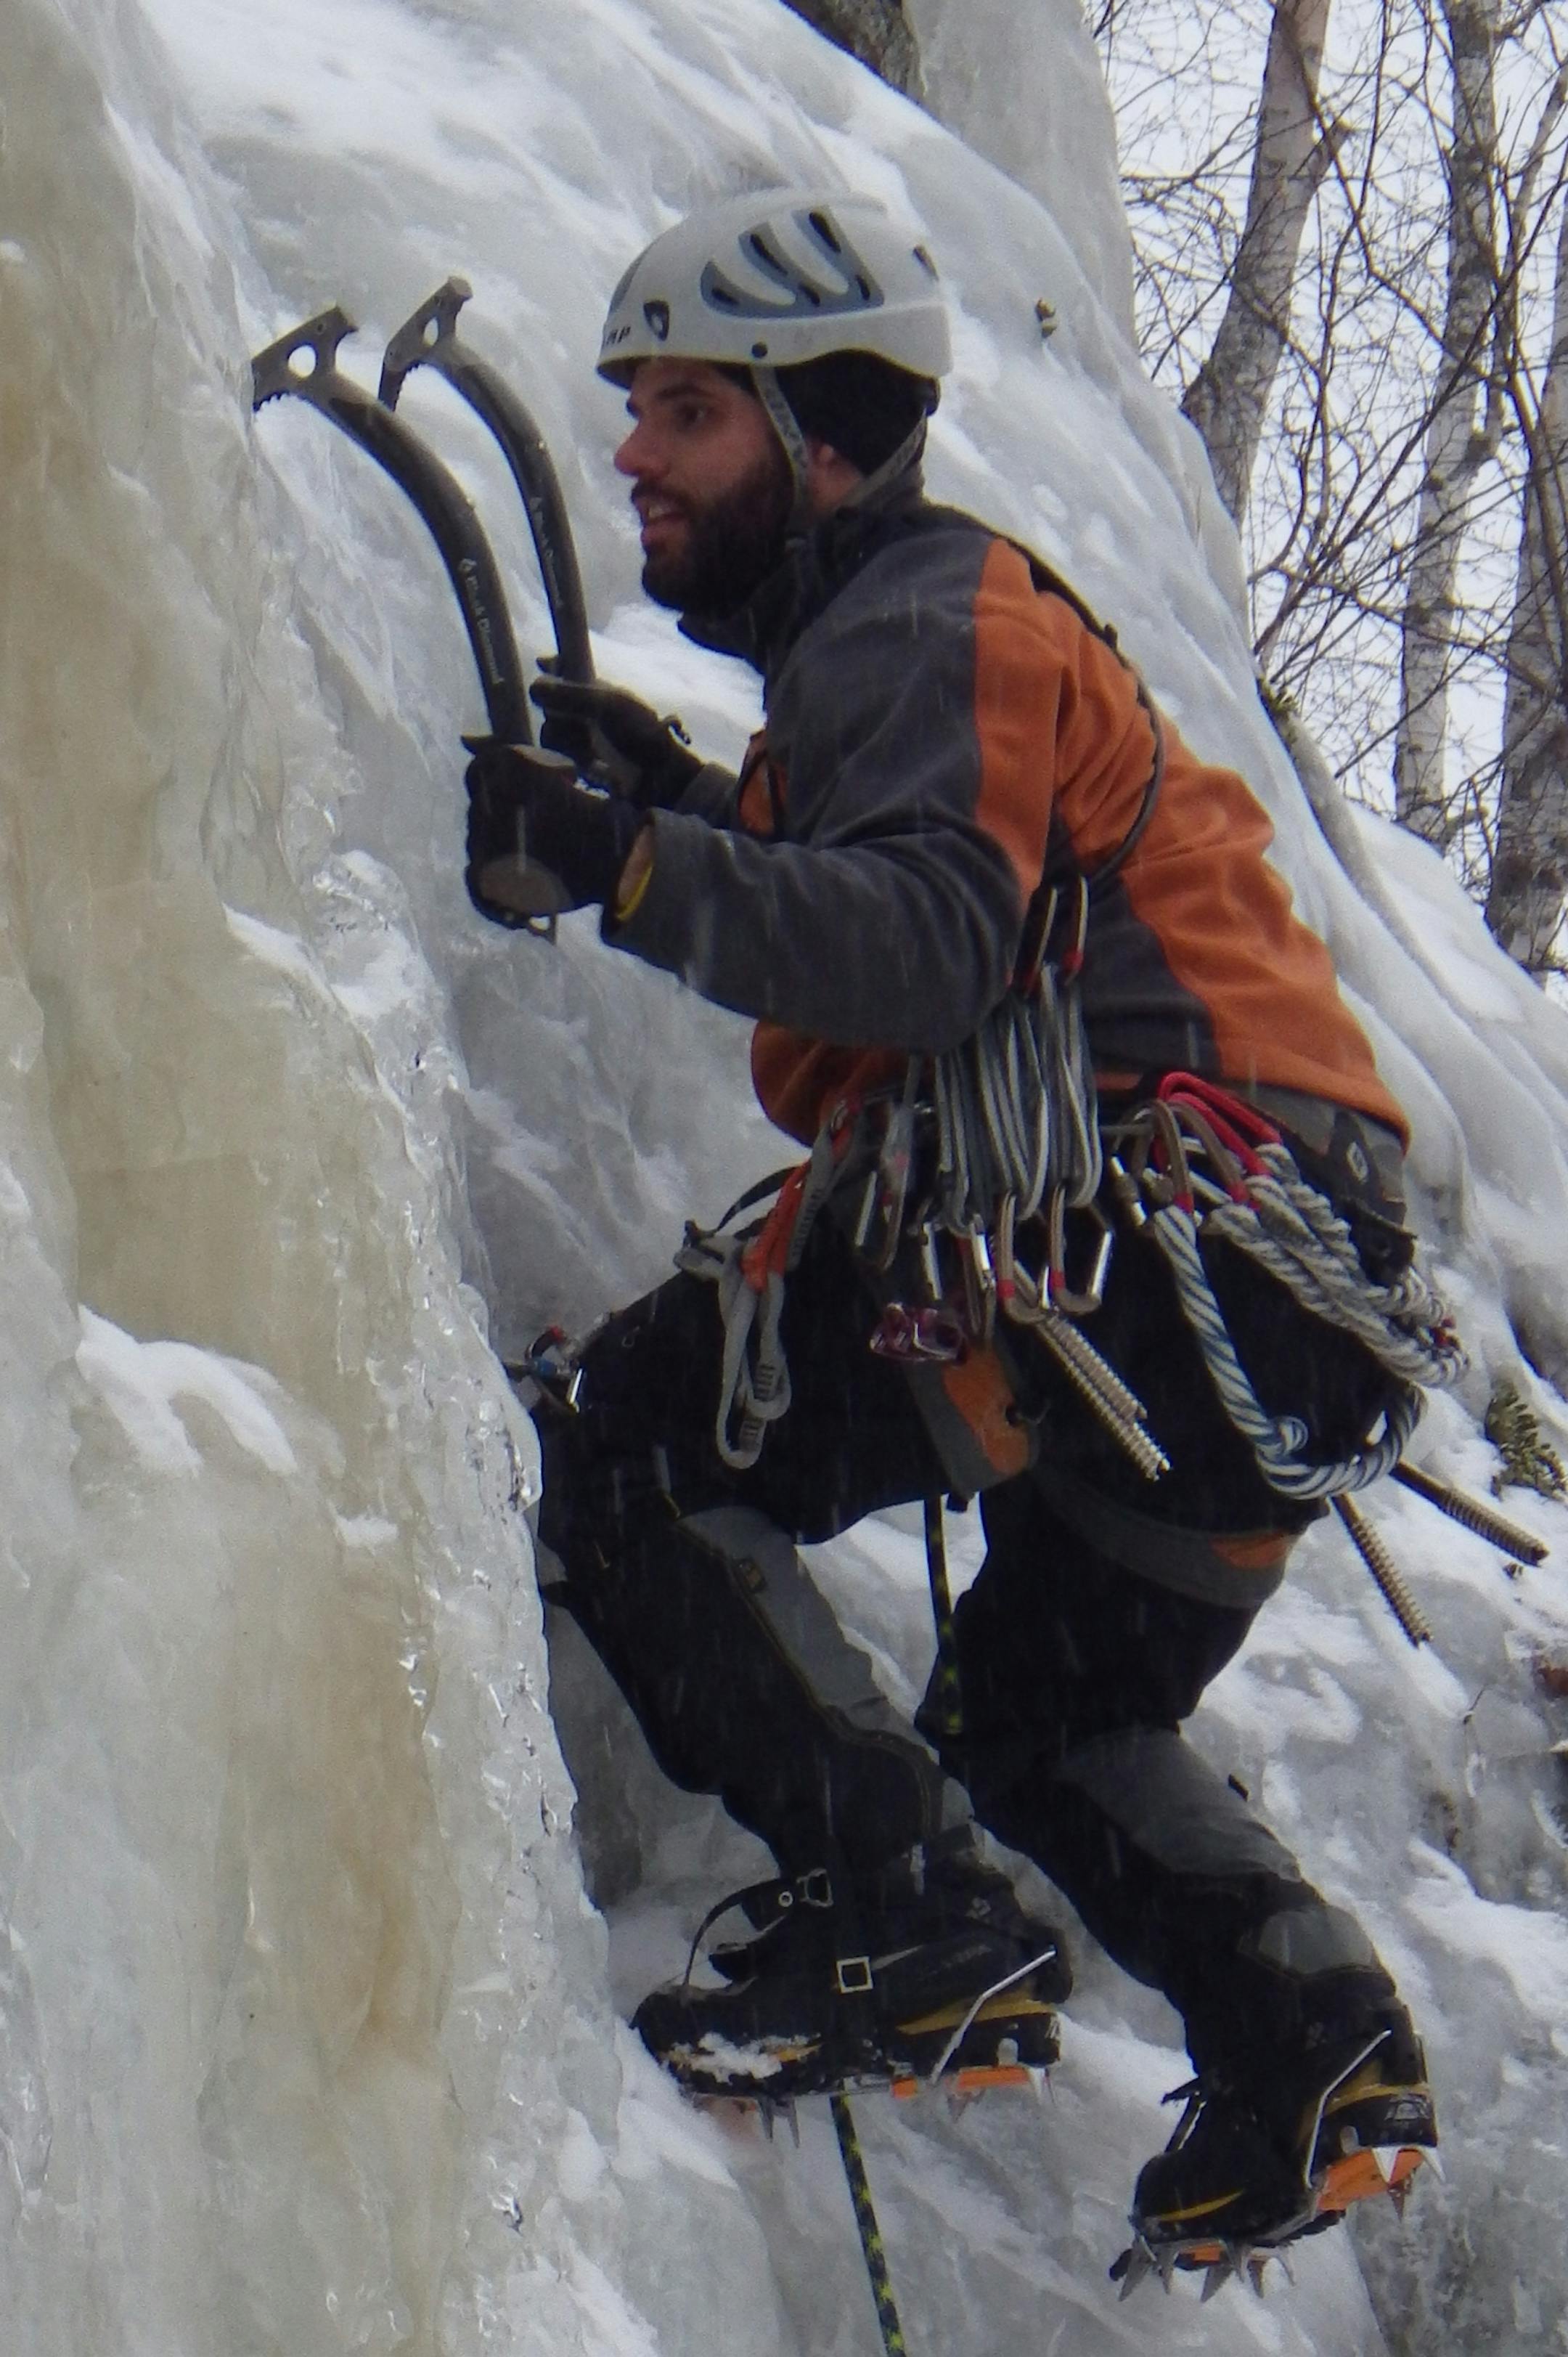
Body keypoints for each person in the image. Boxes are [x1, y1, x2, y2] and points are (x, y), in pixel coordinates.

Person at [462, 188, 1444, 2275]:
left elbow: (921, 942)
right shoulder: (931, 650)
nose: (636, 447)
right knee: (1049, 1720)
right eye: (634, 404)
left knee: (627, 1445)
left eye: (691, 411)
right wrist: (714, 816)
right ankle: (1312, 2047)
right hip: (1282, 1317)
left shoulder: (923, 611)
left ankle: (907, 1924)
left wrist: (630, 865)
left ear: (824, 438)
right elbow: (954, 879)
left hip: (1133, 1229)